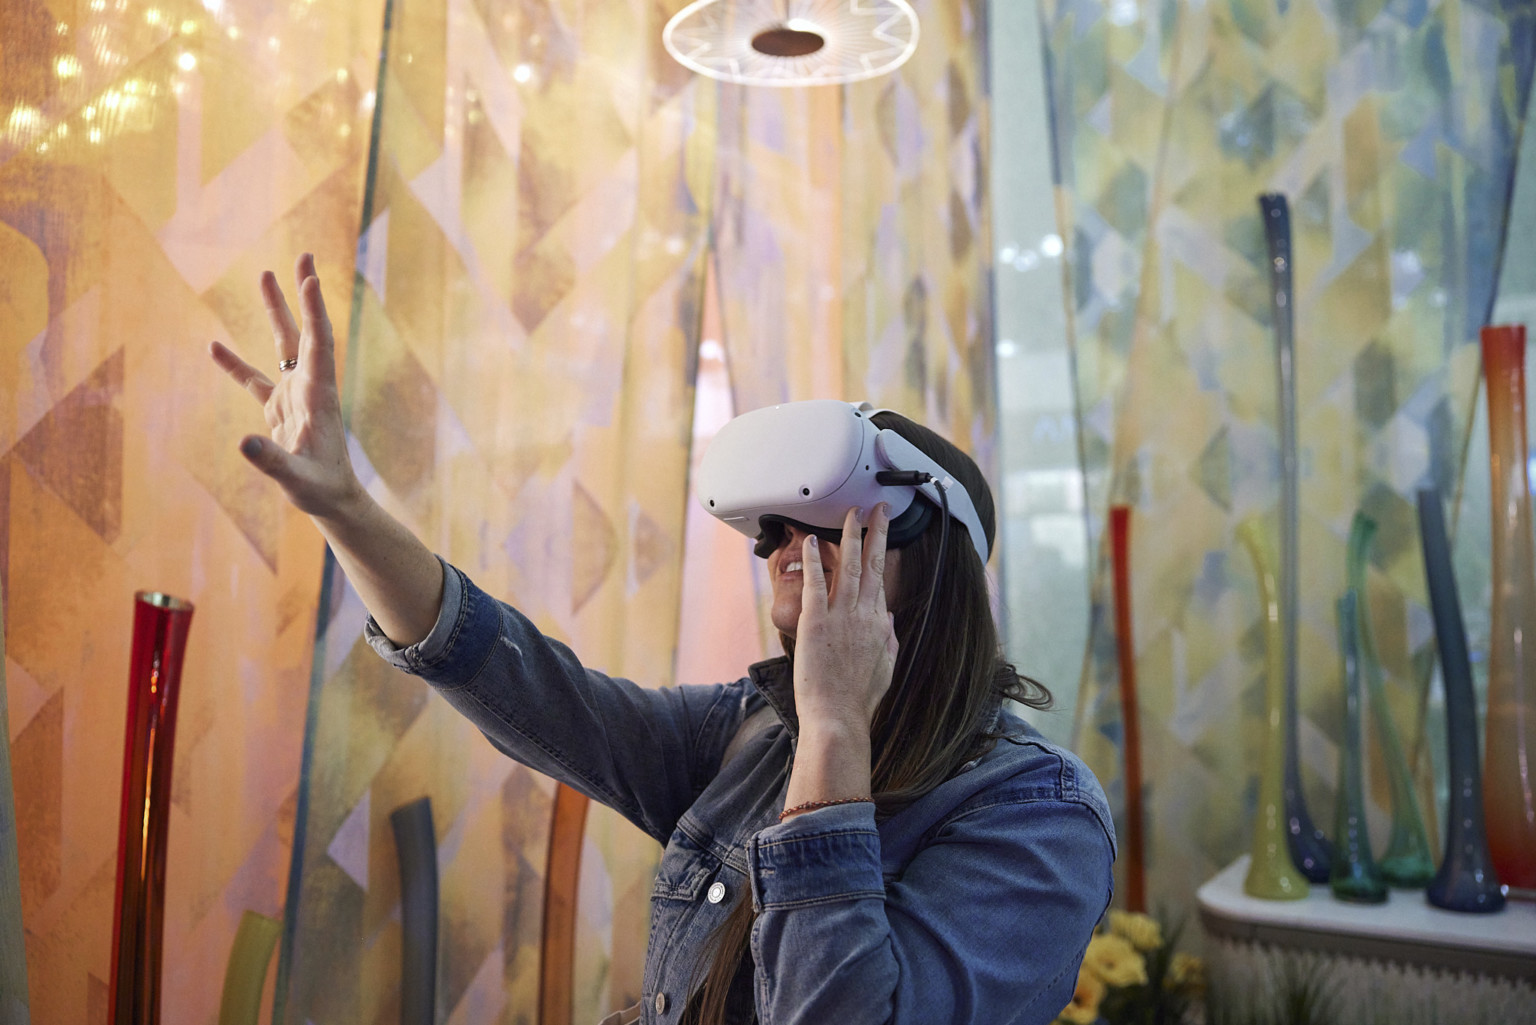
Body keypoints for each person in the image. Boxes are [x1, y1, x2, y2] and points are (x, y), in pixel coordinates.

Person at [211, 255, 1115, 1025]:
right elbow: (527, 686)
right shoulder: (752, 734)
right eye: (774, 532)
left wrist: (839, 731)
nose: (789, 550)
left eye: (832, 524)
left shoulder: (1036, 814)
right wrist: (346, 509)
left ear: (934, 559)